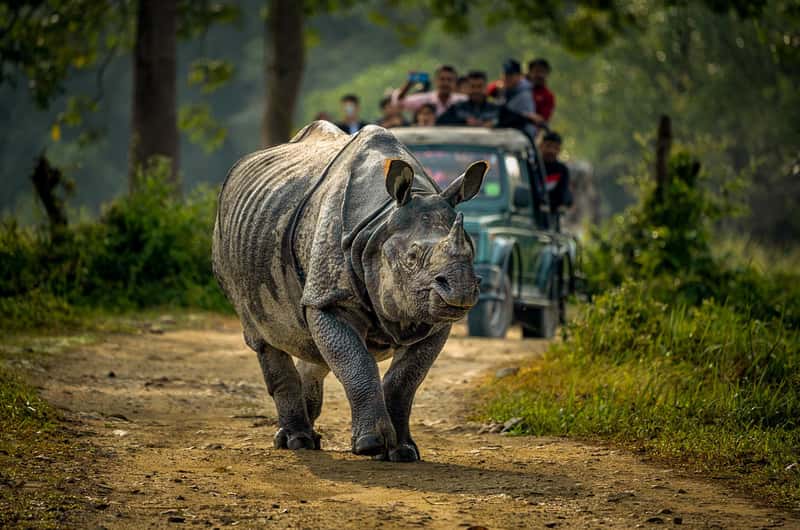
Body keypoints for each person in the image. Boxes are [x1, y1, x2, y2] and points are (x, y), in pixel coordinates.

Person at [392, 65, 467, 117]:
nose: (445, 83)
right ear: (435, 81)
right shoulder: (425, 100)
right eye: (442, 79)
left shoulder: (463, 100)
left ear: (455, 82)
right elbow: (398, 102)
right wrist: (409, 83)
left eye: (449, 80)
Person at [494, 59, 538, 140]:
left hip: (522, 139)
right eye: (505, 74)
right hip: (506, 136)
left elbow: (524, 121)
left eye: (511, 75)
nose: (507, 78)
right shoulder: (505, 90)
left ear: (519, 76)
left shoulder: (524, 95)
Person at [540, 131, 572, 211]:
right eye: (548, 146)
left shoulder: (562, 170)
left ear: (559, 150)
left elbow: (563, 194)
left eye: (555, 148)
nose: (551, 151)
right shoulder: (532, 166)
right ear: (541, 146)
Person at [527, 58, 555, 125]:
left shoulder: (548, 96)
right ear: (530, 72)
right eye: (537, 71)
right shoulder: (518, 85)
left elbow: (543, 119)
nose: (540, 75)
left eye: (543, 72)